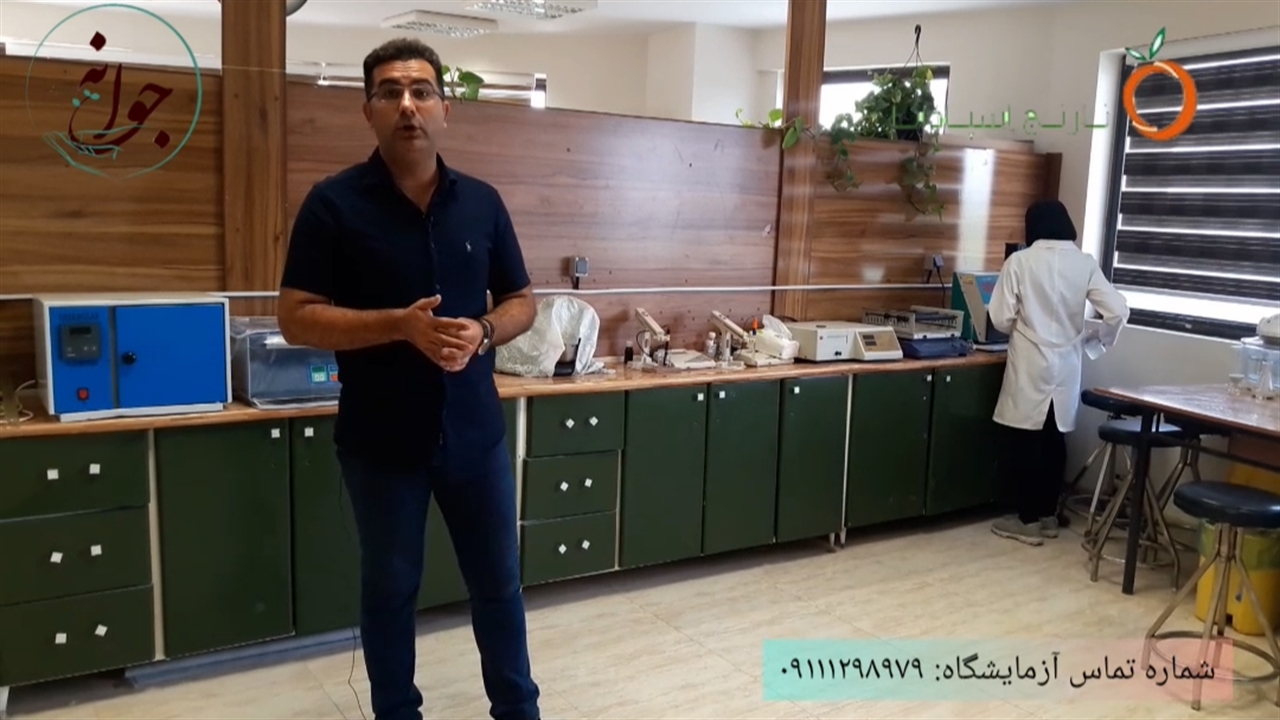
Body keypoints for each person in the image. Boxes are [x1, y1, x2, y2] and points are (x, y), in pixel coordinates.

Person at [275, 38, 541, 720]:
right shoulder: (332, 206)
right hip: (382, 443)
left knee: (499, 585)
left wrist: (484, 331)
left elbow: (521, 300)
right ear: (367, 110)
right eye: (390, 92)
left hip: (475, 436)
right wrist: (398, 325)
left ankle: (518, 710)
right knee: (391, 592)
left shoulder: (482, 203)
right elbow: (296, 317)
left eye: (421, 91)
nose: (407, 106)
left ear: (445, 108)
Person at [987, 199, 1129, 546]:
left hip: (1030, 362)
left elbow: (1000, 318)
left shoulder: (1020, 262)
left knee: (1025, 441)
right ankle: (1049, 515)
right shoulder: (1084, 263)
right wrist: (1096, 342)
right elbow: (1118, 311)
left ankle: (1027, 520)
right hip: (1066, 365)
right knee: (1054, 438)